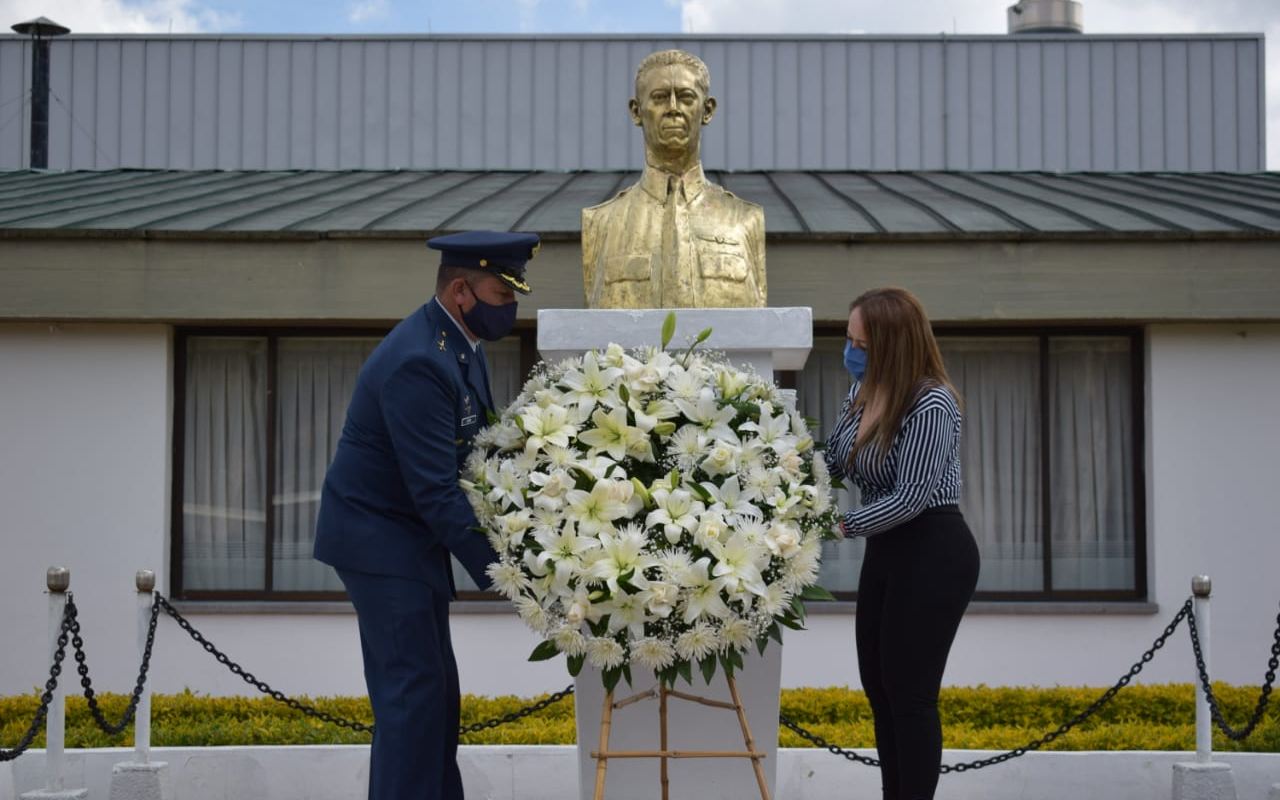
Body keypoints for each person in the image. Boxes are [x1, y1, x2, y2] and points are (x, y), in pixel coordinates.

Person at [313, 229, 539, 800]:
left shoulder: (457, 345)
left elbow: (474, 455)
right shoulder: (420, 361)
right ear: (461, 290)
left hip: (407, 541)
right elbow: (436, 492)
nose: (509, 307)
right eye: (501, 293)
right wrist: (511, 576)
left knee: (435, 695)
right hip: (380, 542)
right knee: (411, 699)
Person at [823, 287, 981, 800]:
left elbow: (911, 496)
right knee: (879, 689)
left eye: (862, 345)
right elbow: (832, 461)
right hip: (886, 550)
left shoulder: (932, 401)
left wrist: (839, 526)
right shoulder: (860, 394)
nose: (851, 352)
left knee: (910, 695)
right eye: (849, 340)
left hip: (933, 549)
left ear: (893, 345)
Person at [582, 48, 766, 309]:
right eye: (659, 98)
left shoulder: (746, 220)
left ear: (707, 110)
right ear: (636, 111)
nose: (673, 108)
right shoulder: (600, 222)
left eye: (686, 97)